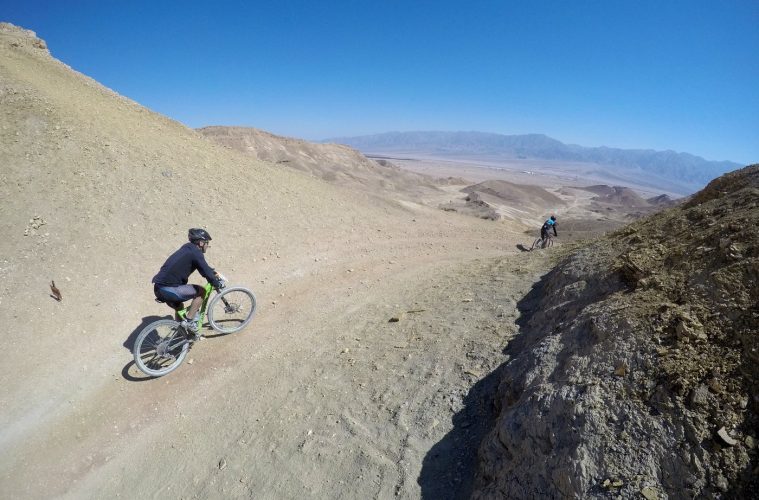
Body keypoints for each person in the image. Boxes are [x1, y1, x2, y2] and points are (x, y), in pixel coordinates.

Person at [152, 228, 225, 335]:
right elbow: (205, 272)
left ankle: (181, 333)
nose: (207, 246)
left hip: (158, 288)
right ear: (201, 243)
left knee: (179, 307)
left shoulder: (187, 248)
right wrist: (217, 283)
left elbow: (203, 266)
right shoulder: (196, 253)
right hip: (169, 290)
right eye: (207, 243)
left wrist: (212, 272)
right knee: (201, 291)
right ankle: (189, 321)